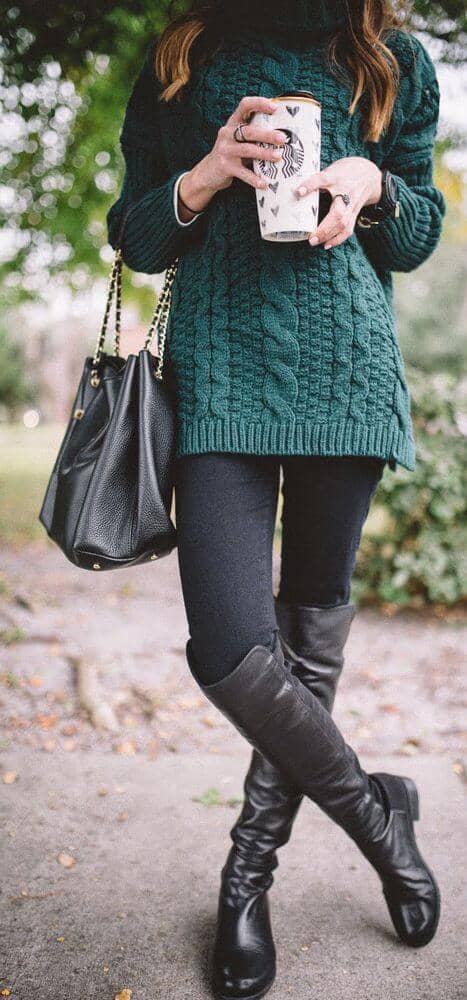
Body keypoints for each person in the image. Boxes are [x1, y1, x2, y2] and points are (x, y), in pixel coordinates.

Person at [107, 2, 446, 997]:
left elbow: (416, 234)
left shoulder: (393, 58)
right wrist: (206, 173)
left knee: (307, 640)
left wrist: (370, 182)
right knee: (228, 647)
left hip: (345, 372)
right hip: (217, 378)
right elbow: (135, 234)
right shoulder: (180, 53)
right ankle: (380, 819)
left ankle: (244, 881)